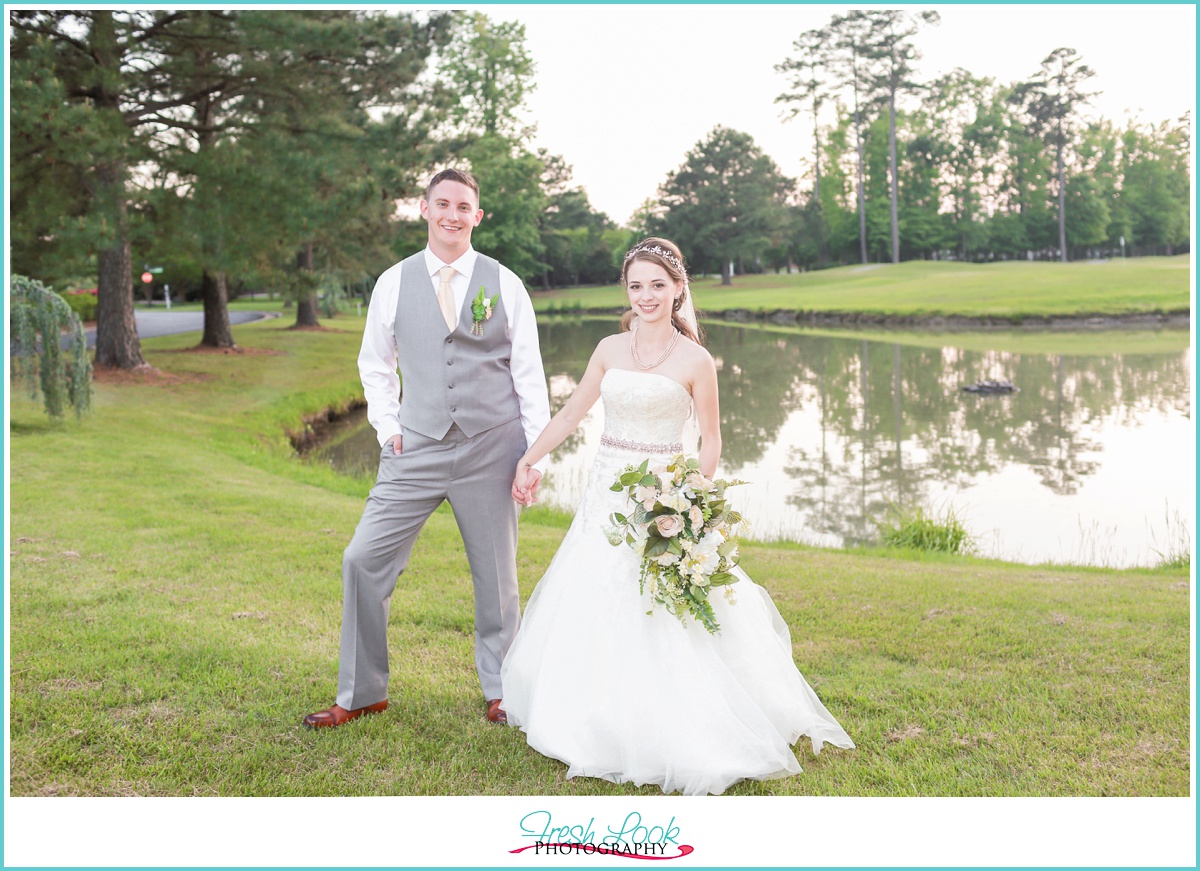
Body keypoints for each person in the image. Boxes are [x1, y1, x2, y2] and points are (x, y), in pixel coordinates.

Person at [502, 237, 854, 795]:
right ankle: (592, 713)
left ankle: (671, 722)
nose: (646, 296)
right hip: (606, 493)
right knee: (596, 591)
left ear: (677, 289)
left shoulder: (696, 360)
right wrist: (530, 457)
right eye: (636, 286)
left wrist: (692, 499)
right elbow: (572, 411)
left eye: (657, 285)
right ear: (628, 290)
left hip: (662, 494)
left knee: (658, 600)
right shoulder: (608, 349)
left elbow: (710, 440)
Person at [304, 168, 551, 729]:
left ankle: (501, 689)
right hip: (413, 446)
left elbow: (530, 375)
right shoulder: (392, 281)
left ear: (477, 216)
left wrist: (532, 456)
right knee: (362, 559)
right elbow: (375, 362)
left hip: (493, 444)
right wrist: (388, 427)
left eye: (464, 206)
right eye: (443, 204)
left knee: (497, 578)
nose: (453, 215)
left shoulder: (504, 283)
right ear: (423, 208)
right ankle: (362, 691)